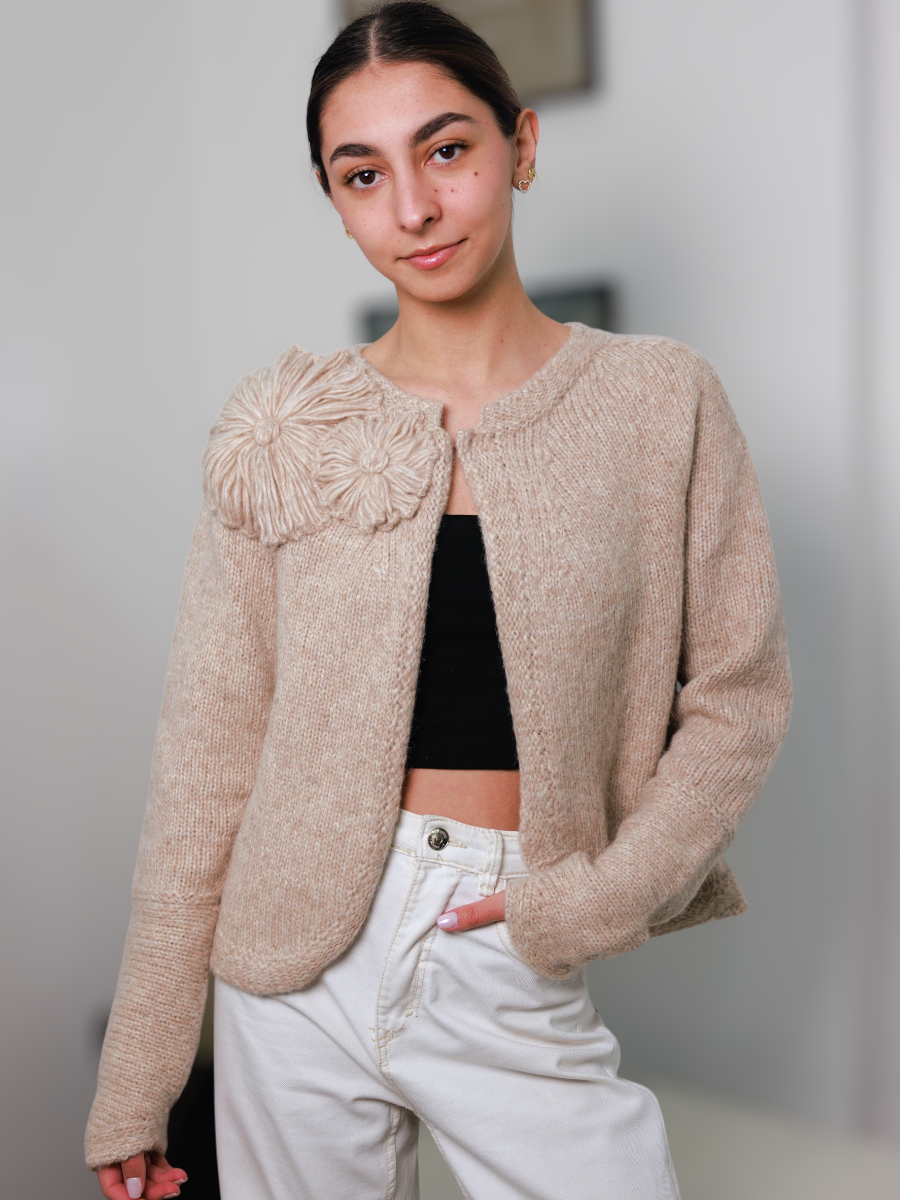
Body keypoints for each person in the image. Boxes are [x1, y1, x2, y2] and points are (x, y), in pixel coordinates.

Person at [86, 3, 792, 1198]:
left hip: (505, 931)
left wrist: (590, 905)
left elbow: (737, 703)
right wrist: (141, 1070)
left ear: (520, 144)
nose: (411, 207)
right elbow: (207, 755)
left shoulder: (659, 402)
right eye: (362, 174)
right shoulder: (286, 428)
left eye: (446, 150)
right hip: (287, 973)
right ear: (334, 196)